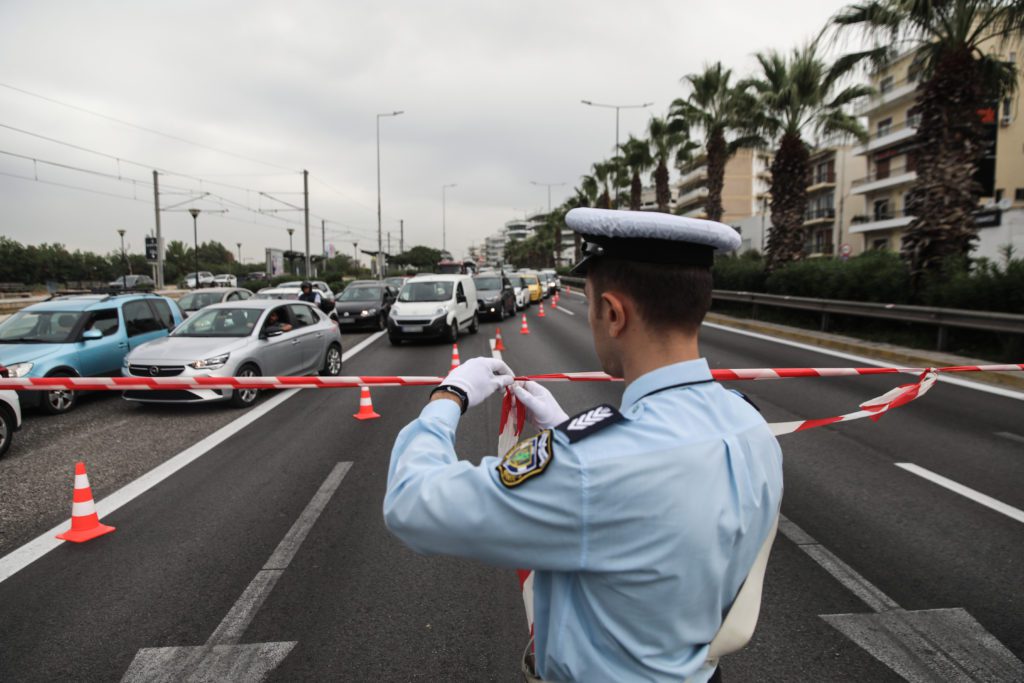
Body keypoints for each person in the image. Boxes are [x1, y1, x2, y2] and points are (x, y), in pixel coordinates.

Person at [384, 208, 783, 683]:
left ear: (614, 314)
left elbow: (412, 504)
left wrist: (448, 398)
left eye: (592, 303)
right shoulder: (749, 423)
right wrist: (567, 429)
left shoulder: (590, 466)